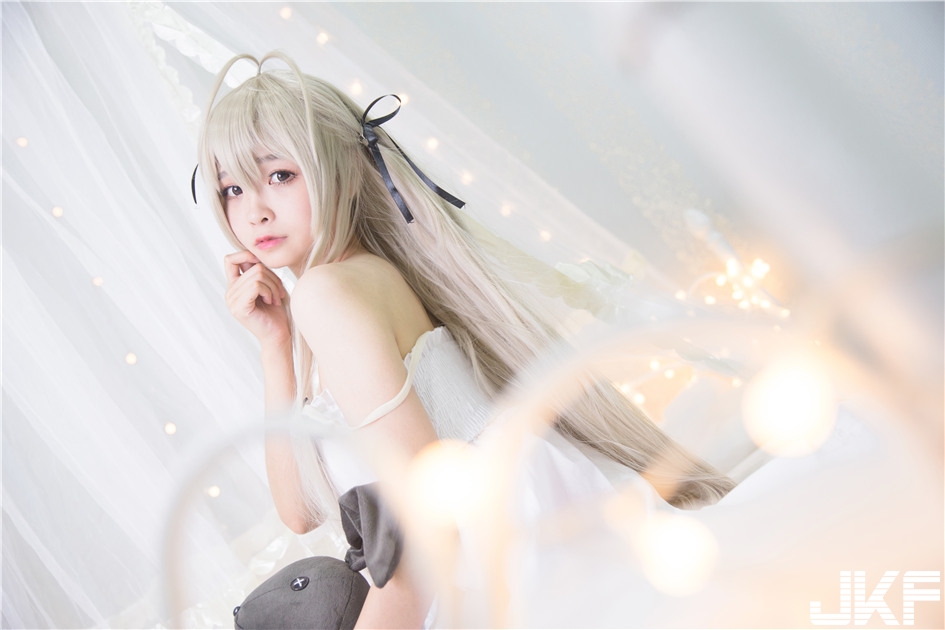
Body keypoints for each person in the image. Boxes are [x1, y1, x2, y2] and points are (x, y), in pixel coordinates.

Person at [197, 51, 734, 628]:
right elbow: (300, 513)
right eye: (232, 189)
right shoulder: (344, 287)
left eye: (279, 176)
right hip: (516, 537)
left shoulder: (328, 293)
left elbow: (428, 529)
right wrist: (274, 345)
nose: (254, 211)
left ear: (345, 171)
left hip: (513, 556)